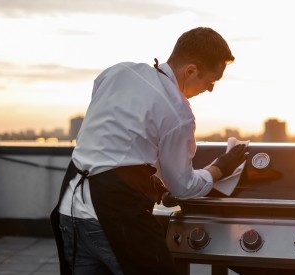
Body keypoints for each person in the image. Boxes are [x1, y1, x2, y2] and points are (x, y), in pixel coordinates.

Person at [50, 27, 248, 275]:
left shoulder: (118, 71)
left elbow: (114, 137)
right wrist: (219, 169)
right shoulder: (178, 113)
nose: (210, 89)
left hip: (69, 207)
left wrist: (148, 178)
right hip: (115, 216)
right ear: (191, 71)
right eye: (211, 81)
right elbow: (184, 187)